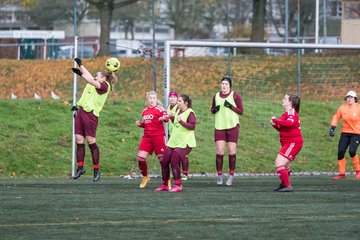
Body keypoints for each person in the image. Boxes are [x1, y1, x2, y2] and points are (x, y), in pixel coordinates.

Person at [71, 58, 117, 181]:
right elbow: (89, 77)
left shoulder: (104, 86)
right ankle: (80, 168)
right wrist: (81, 65)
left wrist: (81, 72)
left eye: (98, 76)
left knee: (91, 142)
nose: (95, 77)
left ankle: (96, 170)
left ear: (103, 78)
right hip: (81, 112)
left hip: (91, 116)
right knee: (79, 140)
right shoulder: (94, 81)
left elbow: (90, 79)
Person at [155, 94, 196, 192]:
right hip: (174, 140)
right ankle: (165, 184)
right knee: (164, 161)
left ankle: (178, 185)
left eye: (180, 101)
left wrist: (181, 121)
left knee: (174, 161)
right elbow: (176, 124)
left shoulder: (190, 112)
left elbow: (192, 126)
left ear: (185, 103)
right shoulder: (177, 110)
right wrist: (173, 118)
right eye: (178, 101)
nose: (177, 103)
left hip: (185, 142)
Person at [211, 76, 243, 186]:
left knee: (231, 151)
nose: (224, 86)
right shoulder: (216, 96)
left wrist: (230, 106)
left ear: (230, 86)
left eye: (226, 84)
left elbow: (241, 111)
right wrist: (215, 109)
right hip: (219, 126)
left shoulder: (235, 96)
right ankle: (219, 175)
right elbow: (212, 109)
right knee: (220, 151)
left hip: (232, 127)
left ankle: (231, 175)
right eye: (222, 83)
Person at [135, 91, 169, 188]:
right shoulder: (144, 111)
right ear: (147, 100)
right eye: (150, 98)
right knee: (140, 158)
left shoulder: (160, 109)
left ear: (156, 99)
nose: (152, 100)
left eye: (154, 98)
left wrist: (163, 118)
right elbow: (146, 124)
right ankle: (145, 177)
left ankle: (167, 180)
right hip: (147, 137)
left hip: (158, 136)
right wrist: (140, 124)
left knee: (162, 160)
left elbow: (167, 118)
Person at [270, 93, 303, 192]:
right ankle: (284, 183)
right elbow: (282, 128)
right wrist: (274, 124)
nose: (282, 100)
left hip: (293, 143)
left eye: (284, 98)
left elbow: (290, 123)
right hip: (289, 143)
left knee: (279, 163)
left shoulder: (291, 113)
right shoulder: (285, 114)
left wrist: (275, 120)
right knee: (285, 166)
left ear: (290, 102)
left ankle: (287, 185)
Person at [329, 90, 360, 180]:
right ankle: (342, 174)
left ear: (355, 99)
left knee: (352, 151)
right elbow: (336, 117)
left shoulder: (359, 108)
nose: (349, 99)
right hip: (345, 133)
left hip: (357, 133)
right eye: (348, 97)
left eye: (351, 97)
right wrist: (332, 128)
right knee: (340, 152)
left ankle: (358, 171)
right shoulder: (342, 108)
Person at [167, 91, 189, 181]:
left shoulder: (178, 107)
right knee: (174, 156)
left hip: (180, 134)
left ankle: (185, 173)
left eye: (174, 97)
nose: (172, 99)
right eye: (171, 97)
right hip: (171, 134)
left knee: (182, 155)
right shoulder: (168, 107)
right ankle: (177, 173)